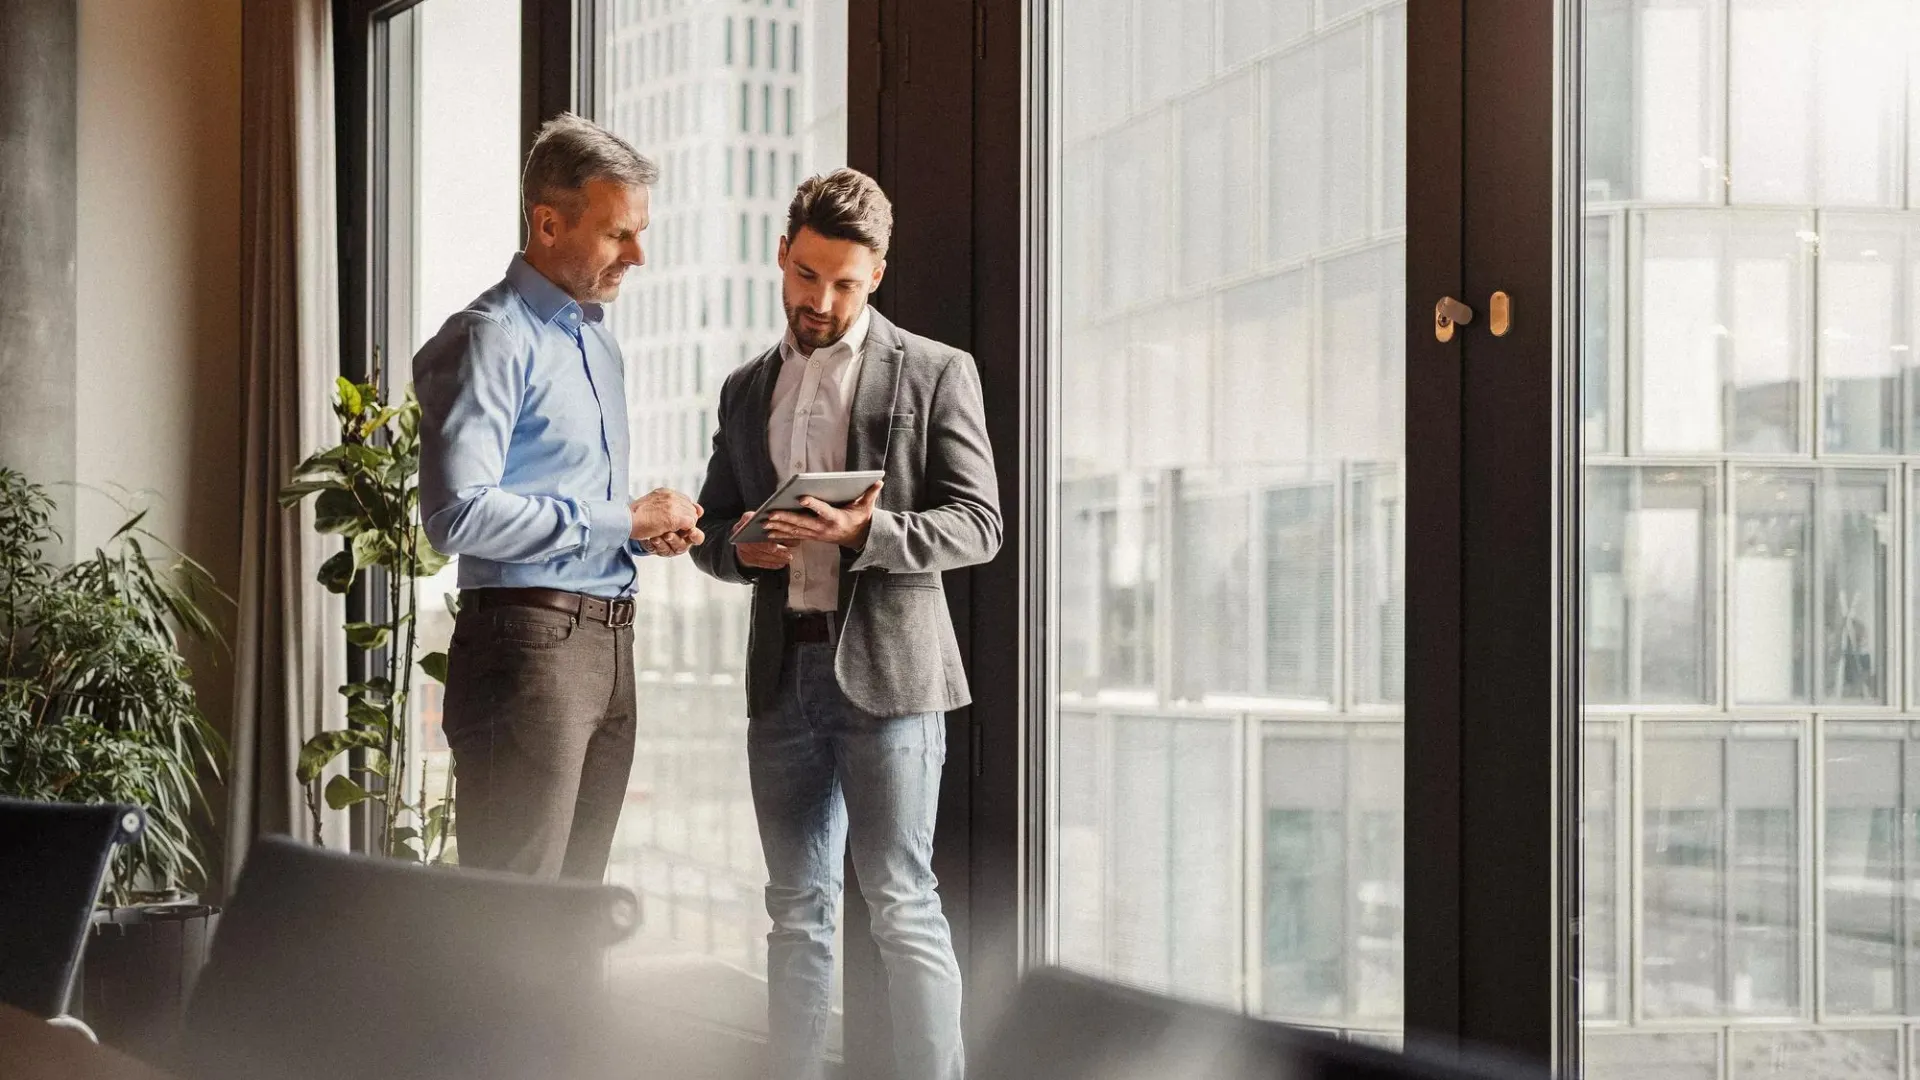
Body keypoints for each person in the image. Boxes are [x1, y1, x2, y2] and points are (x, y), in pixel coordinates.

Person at [689, 168, 1002, 1080]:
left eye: (844, 284)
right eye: (806, 275)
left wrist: (869, 530)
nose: (820, 300)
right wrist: (739, 551)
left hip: (892, 677)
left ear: (878, 277)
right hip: (782, 675)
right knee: (795, 908)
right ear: (781, 255)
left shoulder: (937, 371)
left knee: (902, 904)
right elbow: (715, 528)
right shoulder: (746, 389)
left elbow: (978, 524)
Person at [414, 113, 701, 881]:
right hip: (527, 647)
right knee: (514, 921)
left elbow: (562, 497)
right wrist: (620, 518)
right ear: (547, 222)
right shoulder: (490, 336)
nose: (638, 254)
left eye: (638, 232)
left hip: (608, 643)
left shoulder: (593, 338)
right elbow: (455, 514)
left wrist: (636, 533)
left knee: (574, 914)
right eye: (618, 235)